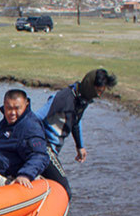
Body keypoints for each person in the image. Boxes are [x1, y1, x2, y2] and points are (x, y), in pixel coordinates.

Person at [33, 68, 117, 199]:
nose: (99, 95)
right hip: (44, 147)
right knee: (65, 190)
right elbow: (35, 117)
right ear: (90, 86)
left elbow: (76, 121)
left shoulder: (81, 100)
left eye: (102, 92)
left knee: (49, 182)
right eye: (98, 91)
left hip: (52, 150)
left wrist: (80, 146)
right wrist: (37, 143)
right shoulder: (63, 98)